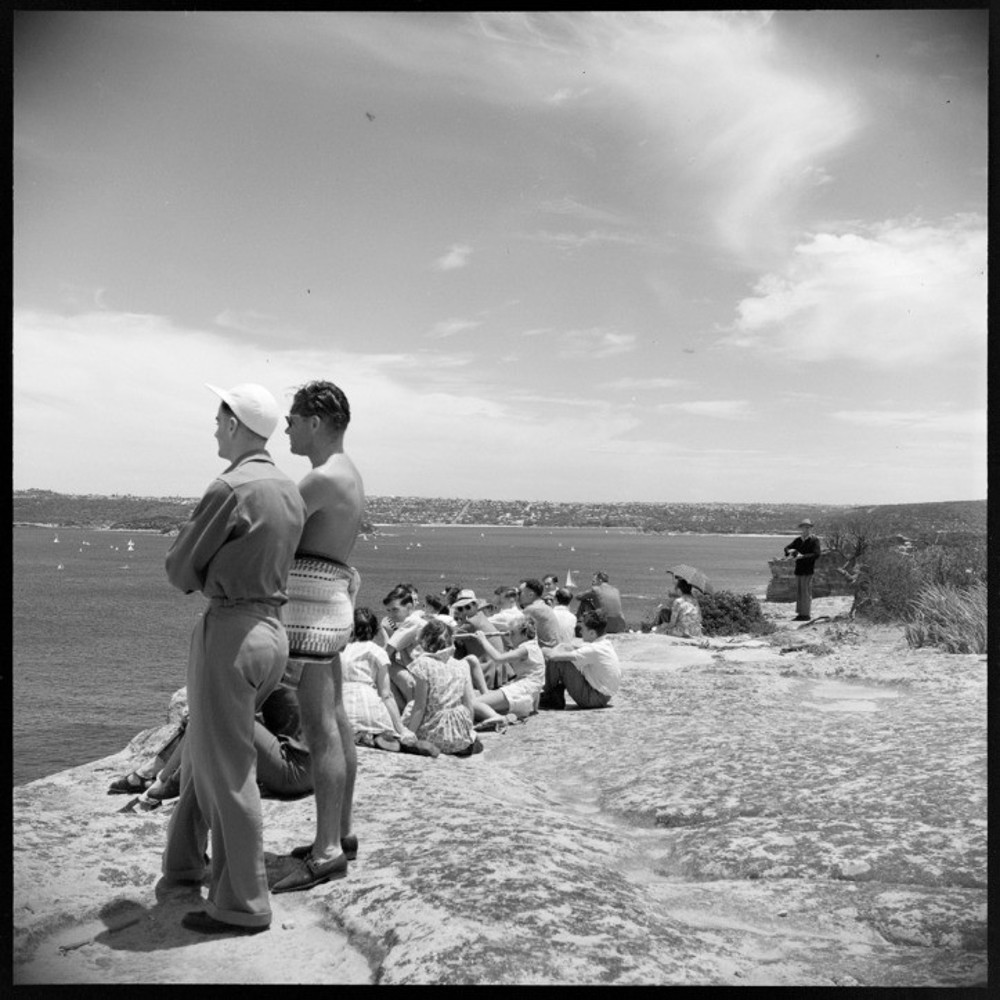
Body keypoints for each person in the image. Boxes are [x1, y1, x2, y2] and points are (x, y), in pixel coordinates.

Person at [160, 381, 306, 936]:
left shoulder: (230, 486)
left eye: (218, 419)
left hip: (232, 631)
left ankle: (243, 904)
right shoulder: (288, 489)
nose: (214, 428)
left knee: (228, 771)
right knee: (208, 747)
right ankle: (183, 863)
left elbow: (179, 570)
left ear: (235, 424)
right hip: (272, 631)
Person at [269, 380, 366, 895]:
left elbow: (271, 528)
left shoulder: (322, 478)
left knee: (320, 727)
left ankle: (327, 851)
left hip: (310, 613)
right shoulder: (347, 472)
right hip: (330, 603)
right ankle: (341, 833)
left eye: (291, 419)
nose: (285, 428)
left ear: (314, 421)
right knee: (337, 720)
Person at [401, 619, 483, 757]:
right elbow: (468, 704)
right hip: (459, 734)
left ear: (425, 641)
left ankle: (421, 743)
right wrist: (469, 731)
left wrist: (409, 735)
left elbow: (420, 707)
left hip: (436, 731)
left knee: (411, 706)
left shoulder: (424, 664)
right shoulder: (462, 665)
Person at [341, 607, 417, 748]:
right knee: (383, 726)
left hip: (342, 709)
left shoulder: (341, 650)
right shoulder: (377, 651)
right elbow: (386, 694)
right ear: (375, 630)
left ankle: (358, 735)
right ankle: (374, 735)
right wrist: (401, 729)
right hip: (370, 709)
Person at [471, 612, 545, 728]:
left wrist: (483, 640)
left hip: (521, 690)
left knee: (472, 704)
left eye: (512, 633)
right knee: (478, 708)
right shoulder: (533, 646)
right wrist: (534, 706)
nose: (510, 636)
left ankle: (498, 718)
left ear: (524, 634)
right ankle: (502, 714)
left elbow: (498, 658)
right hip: (526, 692)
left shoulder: (526, 649)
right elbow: (537, 680)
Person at [539, 609, 621, 710]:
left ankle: (549, 696)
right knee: (565, 651)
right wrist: (562, 647)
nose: (580, 632)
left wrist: (538, 649)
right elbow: (569, 647)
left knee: (560, 662)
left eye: (582, 629)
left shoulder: (594, 649)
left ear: (592, 633)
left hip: (594, 698)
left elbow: (553, 657)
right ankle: (554, 694)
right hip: (603, 695)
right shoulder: (604, 644)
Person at [381, 584, 429, 711]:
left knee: (384, 666)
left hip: (420, 676)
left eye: (395, 610)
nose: (391, 615)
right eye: (388, 611)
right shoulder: (418, 619)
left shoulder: (411, 622)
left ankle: (402, 709)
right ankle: (403, 707)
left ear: (408, 607)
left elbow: (387, 652)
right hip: (425, 672)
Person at [783, 518, 822, 621]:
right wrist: (789, 551)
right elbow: (786, 548)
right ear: (801, 528)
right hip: (799, 570)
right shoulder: (798, 540)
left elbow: (817, 554)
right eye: (805, 527)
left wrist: (803, 556)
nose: (806, 529)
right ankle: (800, 614)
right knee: (800, 592)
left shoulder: (814, 540)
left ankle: (806, 614)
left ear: (810, 528)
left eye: (808, 527)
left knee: (806, 592)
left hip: (808, 570)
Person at [517, 578, 562, 649]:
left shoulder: (532, 609)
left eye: (519, 593)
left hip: (545, 650)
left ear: (530, 595)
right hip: (554, 648)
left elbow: (515, 628)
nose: (517, 595)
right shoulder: (542, 605)